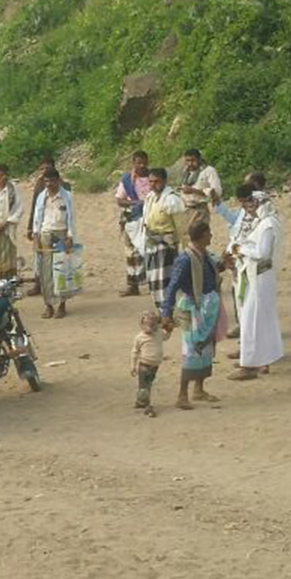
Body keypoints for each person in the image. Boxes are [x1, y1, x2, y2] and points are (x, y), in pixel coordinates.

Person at [163, 220, 223, 411]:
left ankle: (198, 389)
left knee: (204, 349)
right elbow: (172, 287)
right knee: (191, 350)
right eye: (209, 233)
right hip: (192, 309)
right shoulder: (185, 259)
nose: (211, 236)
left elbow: (208, 274)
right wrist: (166, 313)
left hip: (205, 309)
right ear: (202, 236)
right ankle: (182, 394)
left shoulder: (203, 255)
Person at [229, 189, 284, 380]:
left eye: (253, 205)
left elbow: (262, 252)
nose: (249, 209)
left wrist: (241, 249)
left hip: (260, 275)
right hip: (252, 274)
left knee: (253, 319)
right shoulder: (260, 223)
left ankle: (250, 364)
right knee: (257, 319)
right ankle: (259, 360)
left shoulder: (268, 224)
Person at [28, 171, 77, 319]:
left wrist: (70, 236)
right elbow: (37, 218)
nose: (49, 184)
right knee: (46, 272)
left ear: (58, 181)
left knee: (62, 270)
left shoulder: (67, 196)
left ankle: (62, 305)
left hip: (62, 233)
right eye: (46, 181)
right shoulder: (42, 197)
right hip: (45, 234)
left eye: (52, 181)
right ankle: (48, 305)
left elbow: (72, 218)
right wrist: (36, 237)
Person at [141, 166, 188, 316]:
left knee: (166, 280)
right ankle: (161, 310)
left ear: (164, 181)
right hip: (151, 243)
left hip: (166, 246)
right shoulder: (150, 197)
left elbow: (181, 228)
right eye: (151, 182)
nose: (153, 184)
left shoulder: (172, 200)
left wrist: (178, 245)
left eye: (156, 181)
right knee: (154, 281)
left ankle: (167, 312)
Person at [113, 151, 152, 297]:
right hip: (132, 218)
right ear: (133, 163)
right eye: (138, 163)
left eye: (143, 163)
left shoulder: (153, 177)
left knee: (149, 250)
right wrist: (137, 203)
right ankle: (132, 285)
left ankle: (152, 283)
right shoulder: (128, 179)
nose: (141, 166)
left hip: (151, 219)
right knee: (130, 253)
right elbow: (119, 200)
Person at [131, 312, 165, 418]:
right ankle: (147, 406)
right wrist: (133, 366)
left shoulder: (159, 333)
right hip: (144, 364)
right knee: (144, 386)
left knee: (148, 384)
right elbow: (134, 351)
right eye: (146, 324)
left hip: (155, 364)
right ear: (141, 325)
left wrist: (170, 330)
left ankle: (140, 401)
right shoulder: (139, 337)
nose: (149, 327)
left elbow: (165, 337)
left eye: (152, 324)